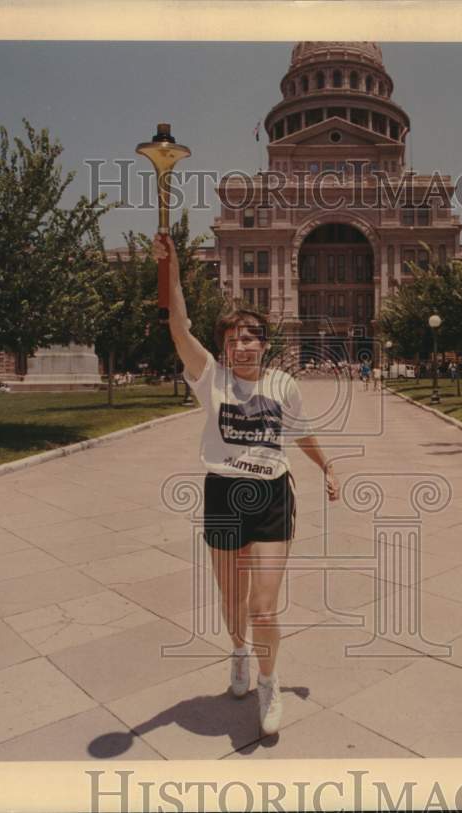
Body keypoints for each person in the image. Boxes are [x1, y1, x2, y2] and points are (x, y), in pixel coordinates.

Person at [151, 235, 340, 737]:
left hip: (273, 498)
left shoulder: (283, 385)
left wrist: (328, 468)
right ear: (224, 347)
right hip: (224, 497)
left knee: (263, 604)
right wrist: (169, 269)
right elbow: (177, 324)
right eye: (232, 339)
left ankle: (269, 680)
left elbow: (300, 433)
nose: (240, 345)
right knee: (232, 602)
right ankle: (238, 652)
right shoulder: (209, 376)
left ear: (264, 343)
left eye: (249, 338)